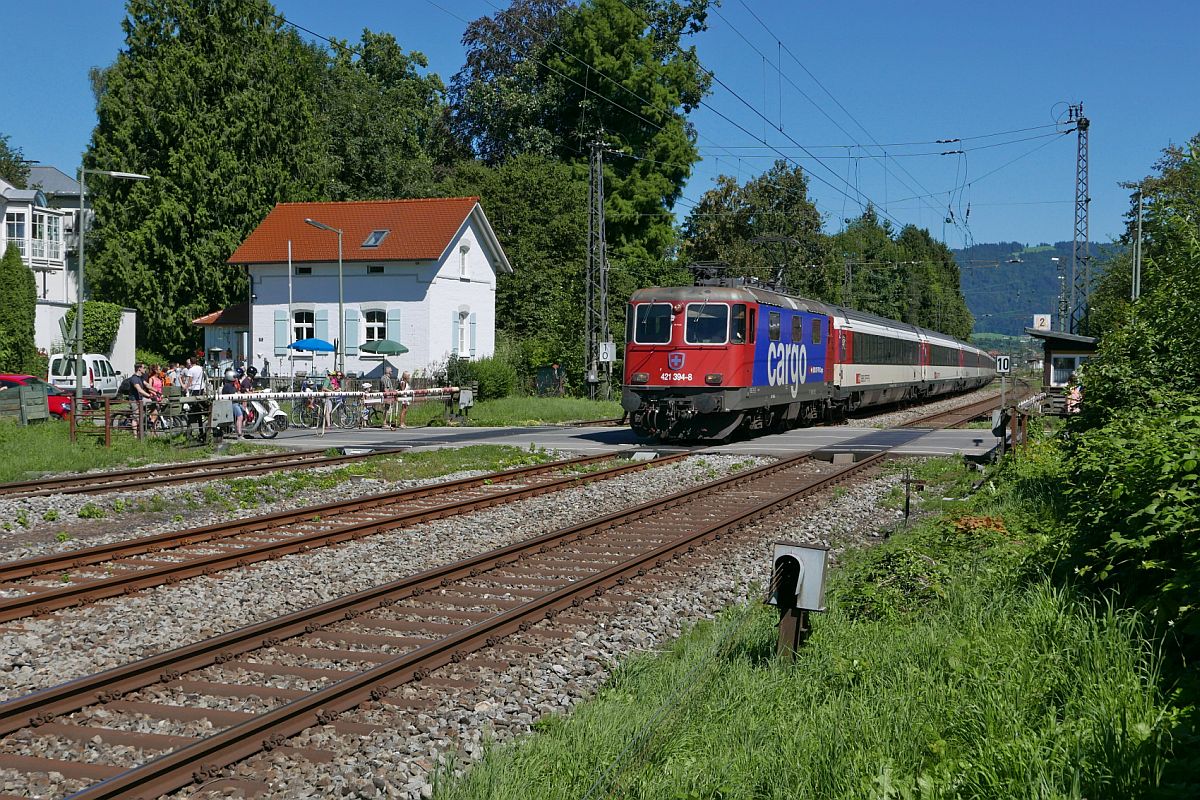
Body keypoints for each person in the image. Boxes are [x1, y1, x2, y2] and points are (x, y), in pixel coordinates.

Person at [126, 362, 153, 434]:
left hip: (140, 399)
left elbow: (147, 385)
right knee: (136, 417)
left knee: (153, 403)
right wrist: (148, 395)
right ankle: (135, 436)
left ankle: (147, 418)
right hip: (134, 400)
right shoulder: (134, 378)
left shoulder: (140, 378)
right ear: (139, 369)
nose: (145, 369)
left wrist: (157, 391)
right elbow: (139, 390)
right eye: (144, 368)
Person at [221, 368, 245, 437]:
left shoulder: (231, 385)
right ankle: (239, 434)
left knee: (244, 412)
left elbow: (237, 391)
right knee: (240, 416)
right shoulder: (228, 386)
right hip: (231, 403)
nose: (236, 378)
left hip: (234, 403)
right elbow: (235, 394)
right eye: (235, 377)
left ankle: (239, 429)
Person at [380, 365, 398, 430]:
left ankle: (385, 422)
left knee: (386, 410)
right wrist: (389, 396)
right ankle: (384, 423)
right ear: (388, 372)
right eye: (391, 371)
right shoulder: (386, 378)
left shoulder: (383, 377)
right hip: (387, 397)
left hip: (386, 396)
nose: (392, 372)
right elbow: (386, 389)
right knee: (386, 410)